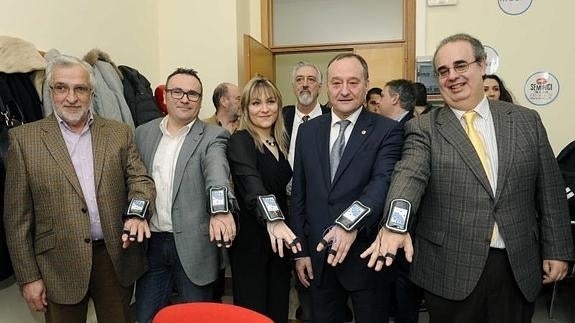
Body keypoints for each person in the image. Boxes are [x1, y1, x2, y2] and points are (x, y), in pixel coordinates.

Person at [362, 33, 575, 323]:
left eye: (461, 65)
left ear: (482, 65)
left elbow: (550, 191)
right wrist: (395, 225)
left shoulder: (526, 121)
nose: (452, 76)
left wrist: (558, 250)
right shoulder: (424, 128)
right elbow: (409, 176)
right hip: (450, 268)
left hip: (517, 264)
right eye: (443, 71)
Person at [3, 54, 155, 323]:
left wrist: (137, 213)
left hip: (114, 258)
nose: (71, 97)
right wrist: (29, 277)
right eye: (62, 88)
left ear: (91, 93)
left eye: (80, 89)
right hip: (57, 265)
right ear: (51, 92)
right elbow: (17, 219)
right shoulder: (25, 140)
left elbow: (140, 181)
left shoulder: (118, 133)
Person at [290, 53, 404, 323]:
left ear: (366, 84)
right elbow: (299, 196)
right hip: (317, 258)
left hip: (365, 257)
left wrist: (349, 223)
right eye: (336, 82)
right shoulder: (308, 131)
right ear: (326, 86)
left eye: (353, 82)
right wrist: (301, 251)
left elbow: (381, 184)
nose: (344, 91)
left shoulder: (386, 130)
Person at [134, 68, 237, 323]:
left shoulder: (214, 136)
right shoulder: (141, 133)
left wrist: (221, 210)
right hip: (153, 244)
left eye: (192, 93)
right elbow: (134, 180)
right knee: (148, 316)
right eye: (177, 92)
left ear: (200, 101)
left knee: (197, 317)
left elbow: (217, 172)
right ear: (165, 97)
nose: (184, 98)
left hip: (194, 246)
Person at [227, 76, 301, 323]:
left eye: (270, 102)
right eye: (256, 103)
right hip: (252, 240)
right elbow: (252, 184)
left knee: (278, 305)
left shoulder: (280, 141)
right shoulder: (241, 140)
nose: (265, 108)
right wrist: (273, 218)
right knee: (253, 312)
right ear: (246, 109)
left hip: (279, 240)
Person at [281, 60, 331, 322]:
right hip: (284, 202)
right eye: (300, 79)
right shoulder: (281, 116)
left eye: (311, 79)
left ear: (320, 86)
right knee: (292, 260)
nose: (305, 83)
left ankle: (320, 308)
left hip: (318, 205)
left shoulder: (333, 117)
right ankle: (303, 304)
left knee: (317, 260)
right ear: (292, 85)